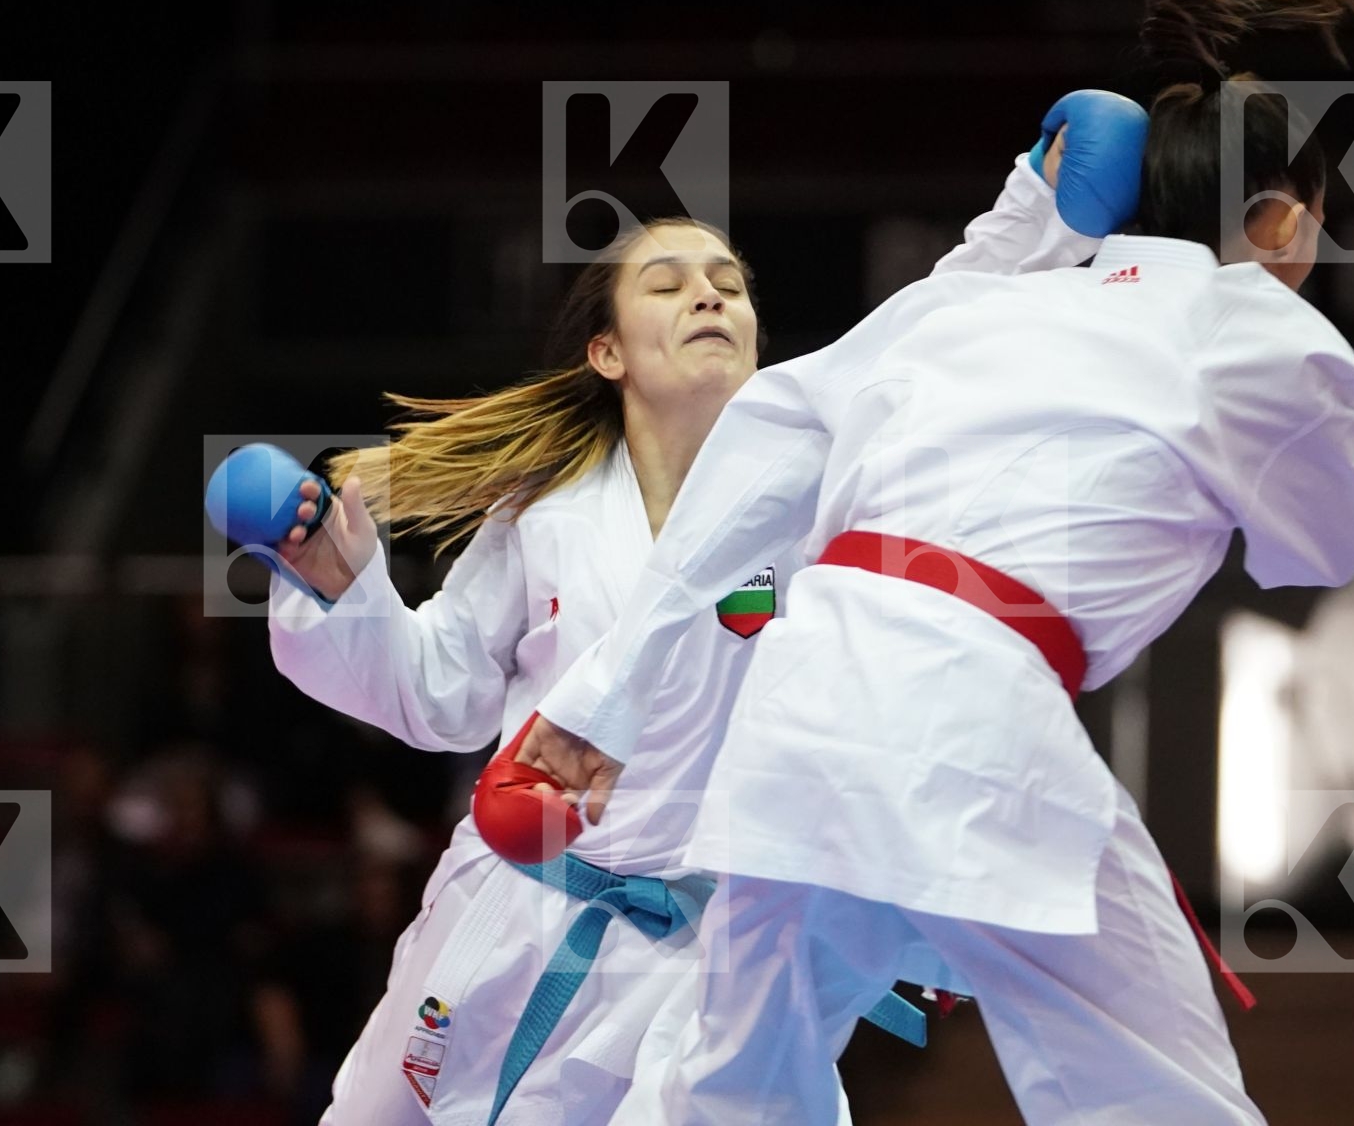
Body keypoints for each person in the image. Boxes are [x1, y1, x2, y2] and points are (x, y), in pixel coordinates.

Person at [517, 0, 1354, 1122]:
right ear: (1282, 224)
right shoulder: (1260, 330)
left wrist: (603, 698)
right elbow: (1325, 545)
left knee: (730, 1090)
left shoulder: (968, 310)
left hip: (799, 717)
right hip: (971, 722)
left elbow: (757, 465)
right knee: (1156, 1091)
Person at [264, 99, 1145, 1125]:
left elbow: (926, 336)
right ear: (607, 354)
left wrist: (1040, 208)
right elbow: (441, 696)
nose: (711, 294)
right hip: (518, 919)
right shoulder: (544, 513)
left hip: (711, 962)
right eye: (669, 283)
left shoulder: (823, 494)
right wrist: (342, 593)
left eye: (730, 282)